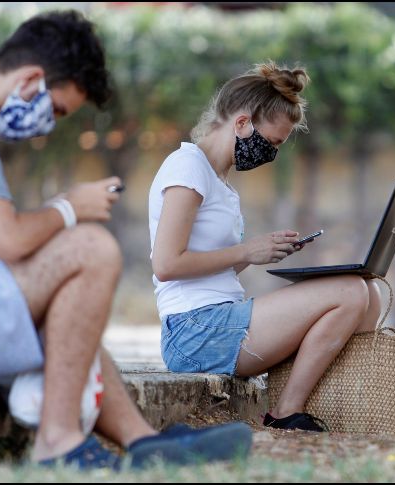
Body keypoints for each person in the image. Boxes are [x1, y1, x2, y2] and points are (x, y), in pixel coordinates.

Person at [0, 10, 251, 469]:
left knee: (67, 310)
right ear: (30, 79)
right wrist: (68, 208)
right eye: (57, 109)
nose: (49, 125)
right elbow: (8, 241)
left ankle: (143, 443)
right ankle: (58, 444)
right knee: (90, 249)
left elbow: (3, 244)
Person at [148, 62, 382, 432]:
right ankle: (286, 412)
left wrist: (267, 251)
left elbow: (214, 266)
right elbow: (166, 264)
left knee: (369, 296)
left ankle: (333, 406)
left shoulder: (220, 182)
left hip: (219, 319)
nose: (271, 154)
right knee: (351, 291)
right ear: (242, 124)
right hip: (194, 330)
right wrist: (247, 251)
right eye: (272, 142)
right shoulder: (187, 167)